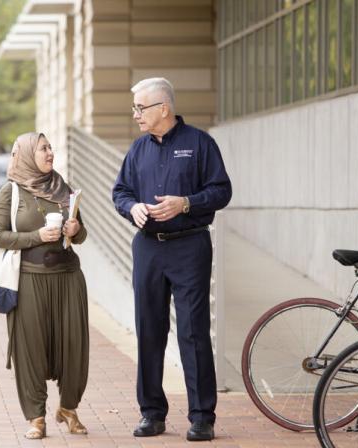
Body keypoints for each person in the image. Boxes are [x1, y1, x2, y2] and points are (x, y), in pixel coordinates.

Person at [112, 78, 232, 442]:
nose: (135, 115)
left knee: (193, 332)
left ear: (163, 108)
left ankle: (202, 417)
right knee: (149, 329)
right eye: (134, 108)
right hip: (148, 247)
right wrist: (132, 207)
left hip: (189, 245)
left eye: (140, 108)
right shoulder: (137, 150)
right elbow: (120, 192)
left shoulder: (200, 144)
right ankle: (152, 413)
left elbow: (221, 190)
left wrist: (186, 203)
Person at [0, 132, 89, 440]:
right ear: (26, 154)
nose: (50, 153)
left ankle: (69, 409)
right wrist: (36, 237)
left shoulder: (64, 187)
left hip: (68, 277)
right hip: (30, 279)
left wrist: (76, 228)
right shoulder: (11, 191)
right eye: (43, 148)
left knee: (74, 347)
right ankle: (36, 417)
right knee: (31, 349)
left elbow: (81, 235)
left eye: (50, 147)